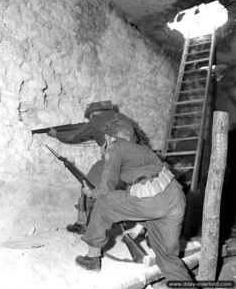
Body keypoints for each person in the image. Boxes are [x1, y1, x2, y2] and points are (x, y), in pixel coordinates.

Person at [75, 119, 192, 282]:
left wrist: (91, 193)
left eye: (106, 137)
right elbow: (153, 194)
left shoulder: (116, 147)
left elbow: (107, 188)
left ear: (111, 137)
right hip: (176, 197)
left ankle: (92, 258)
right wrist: (138, 228)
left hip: (151, 198)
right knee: (168, 260)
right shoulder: (145, 150)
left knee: (103, 204)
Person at [47, 100, 146, 234]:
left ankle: (81, 223)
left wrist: (56, 134)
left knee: (87, 185)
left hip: (114, 157)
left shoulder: (96, 120)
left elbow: (73, 136)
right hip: (134, 158)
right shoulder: (124, 118)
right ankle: (139, 225)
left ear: (94, 112)